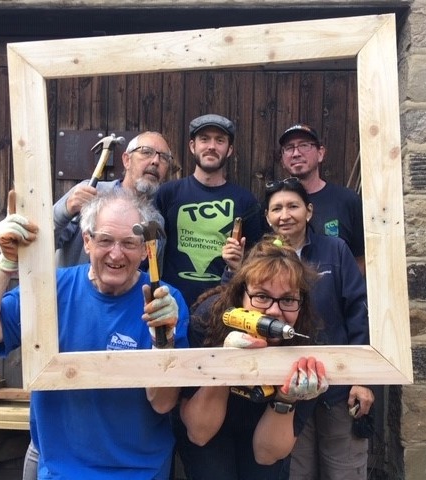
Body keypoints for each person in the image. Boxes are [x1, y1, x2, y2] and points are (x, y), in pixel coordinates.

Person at [0, 189, 189, 480]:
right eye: (105, 240)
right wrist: (6, 264)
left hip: (140, 472)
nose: (116, 253)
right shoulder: (51, 290)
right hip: (60, 472)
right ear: (87, 241)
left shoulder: (165, 303)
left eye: (129, 243)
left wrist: (163, 342)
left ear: (144, 249)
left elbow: (162, 403)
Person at [174, 236, 329, 480]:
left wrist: (287, 398)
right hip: (208, 425)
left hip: (266, 427)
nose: (275, 311)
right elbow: (198, 433)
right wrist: (225, 365)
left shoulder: (307, 340)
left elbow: (266, 455)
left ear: (302, 303)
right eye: (262, 297)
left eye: (288, 299)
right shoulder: (208, 319)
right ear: (240, 296)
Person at [260, 177, 373, 479]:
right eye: (277, 209)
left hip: (339, 389)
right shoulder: (261, 259)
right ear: (268, 218)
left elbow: (358, 313)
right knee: (296, 472)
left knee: (344, 471)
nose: (285, 215)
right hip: (287, 388)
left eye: (293, 206)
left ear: (308, 212)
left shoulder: (335, 250)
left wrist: (363, 380)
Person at [155, 114, 262, 308]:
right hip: (169, 303)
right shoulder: (167, 194)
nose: (211, 146)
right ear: (192, 146)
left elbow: (258, 262)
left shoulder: (246, 202)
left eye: (219, 140)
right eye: (204, 139)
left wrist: (240, 262)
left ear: (229, 150)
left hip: (222, 305)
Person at [54, 130, 172, 268]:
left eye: (164, 157)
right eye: (146, 152)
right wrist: (65, 210)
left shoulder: (156, 222)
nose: (156, 161)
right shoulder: (88, 194)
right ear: (127, 160)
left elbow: (153, 275)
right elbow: (43, 242)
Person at [278, 123, 365, 274]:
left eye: (304, 145)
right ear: (283, 159)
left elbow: (361, 258)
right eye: (289, 148)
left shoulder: (347, 200)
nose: (296, 153)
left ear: (320, 153)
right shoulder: (276, 205)